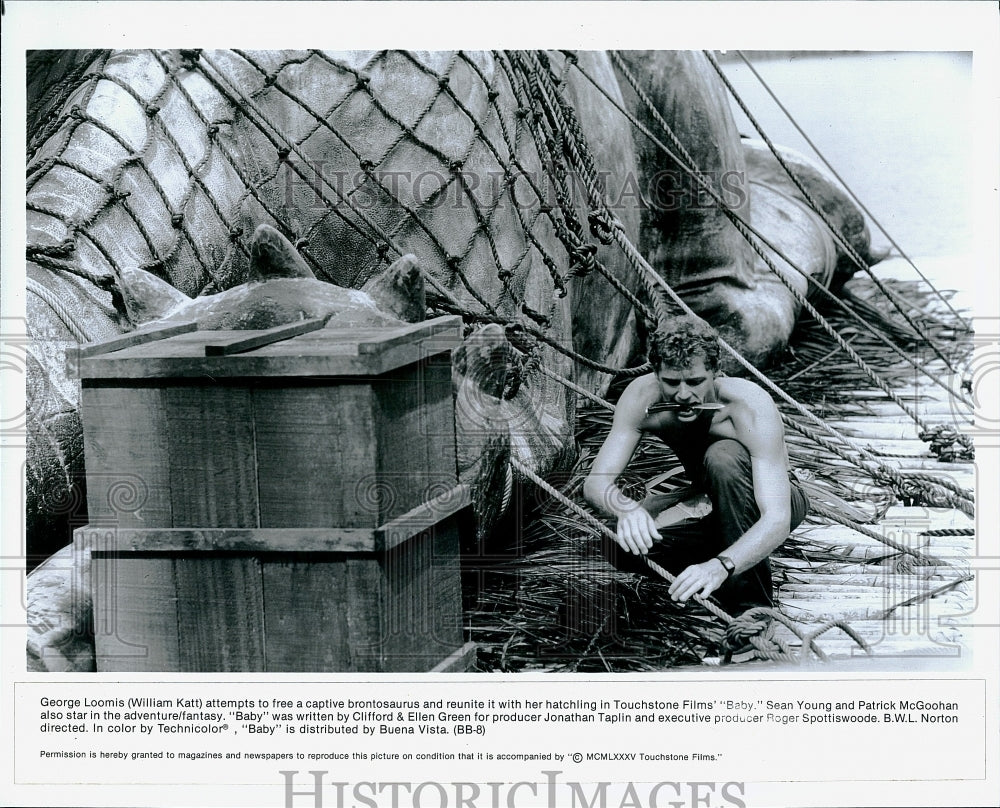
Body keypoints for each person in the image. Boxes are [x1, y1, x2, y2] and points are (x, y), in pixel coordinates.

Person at [582, 315, 808, 613]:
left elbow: (777, 518)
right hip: (706, 500)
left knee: (723, 456)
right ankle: (724, 556)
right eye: (672, 383)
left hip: (774, 498)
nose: (684, 395)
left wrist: (721, 566)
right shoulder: (641, 398)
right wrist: (626, 508)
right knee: (616, 542)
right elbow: (596, 482)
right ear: (656, 373)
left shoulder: (747, 407)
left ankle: (751, 612)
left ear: (715, 372)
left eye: (696, 381)